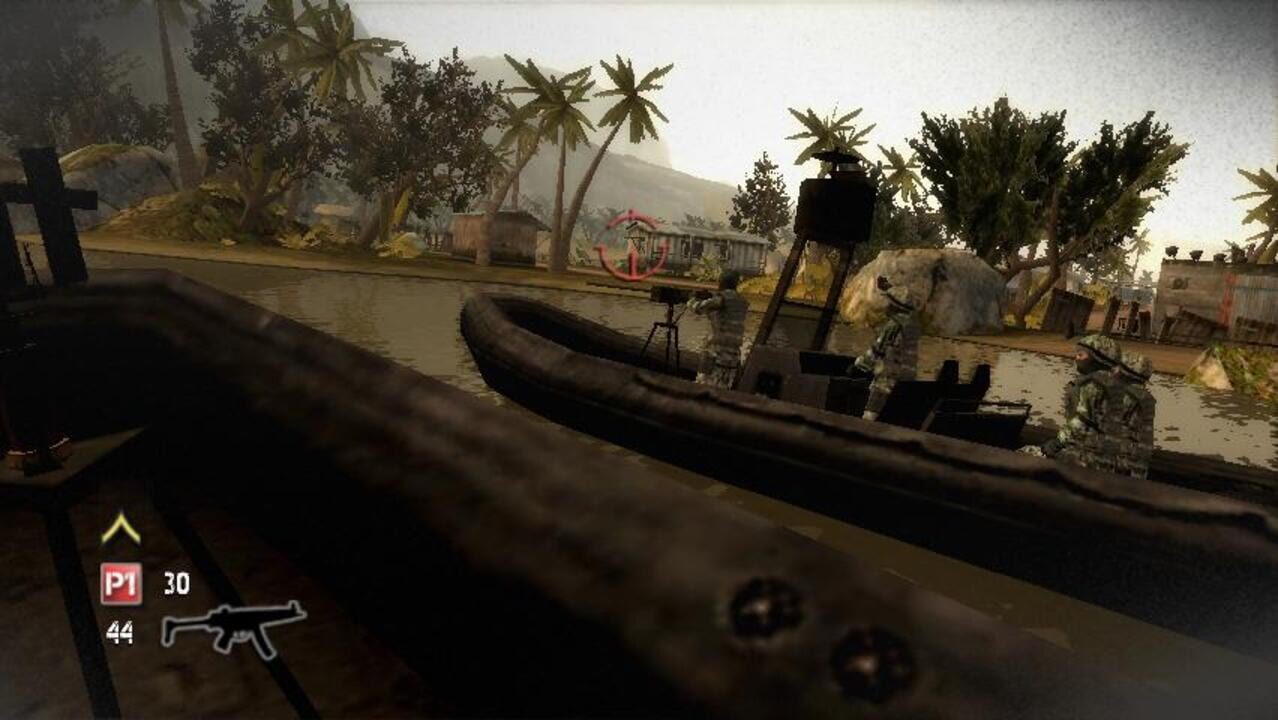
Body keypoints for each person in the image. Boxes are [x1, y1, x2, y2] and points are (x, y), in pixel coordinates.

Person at [1035, 334, 1122, 472]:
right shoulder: (1111, 383)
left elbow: (1081, 421)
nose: (1076, 358)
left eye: (1081, 355)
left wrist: (1057, 443)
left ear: (1096, 360)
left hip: (1087, 456)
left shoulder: (1093, 386)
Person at [850, 277, 921, 421]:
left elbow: (877, 350)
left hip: (887, 375)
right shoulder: (913, 325)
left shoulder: (894, 324)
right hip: (905, 376)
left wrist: (858, 366)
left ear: (895, 305)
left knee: (870, 413)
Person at [687, 269, 749, 389]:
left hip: (716, 354)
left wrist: (691, 299)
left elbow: (698, 308)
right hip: (733, 357)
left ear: (722, 282)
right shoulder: (742, 301)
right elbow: (726, 314)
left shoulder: (722, 298)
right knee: (724, 390)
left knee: (702, 387)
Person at [1105, 349, 1156, 480]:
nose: (1113, 370)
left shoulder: (1124, 395)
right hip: (1138, 464)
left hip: (1120, 461)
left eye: (1118, 367)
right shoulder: (1146, 397)